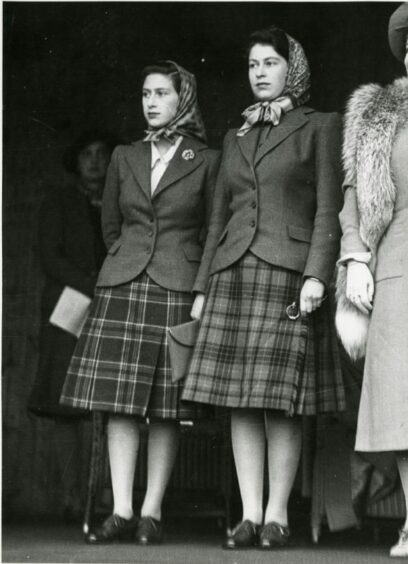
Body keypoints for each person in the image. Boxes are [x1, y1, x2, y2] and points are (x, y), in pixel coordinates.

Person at [182, 26, 345, 549]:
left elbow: (328, 207)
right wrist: (203, 285)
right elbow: (217, 220)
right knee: (240, 402)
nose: (260, 72)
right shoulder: (236, 135)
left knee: (279, 402)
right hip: (232, 273)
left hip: (287, 273)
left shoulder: (320, 126)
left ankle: (278, 515)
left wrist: (317, 273)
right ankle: (248, 515)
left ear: (291, 68)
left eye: (270, 62)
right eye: (253, 64)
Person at [60, 61, 220, 543]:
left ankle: (152, 511)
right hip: (122, 285)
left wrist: (200, 289)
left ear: (182, 99)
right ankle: (123, 509)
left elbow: (213, 229)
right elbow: (112, 226)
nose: (150, 102)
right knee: (119, 404)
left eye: (161, 94)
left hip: (177, 284)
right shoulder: (125, 156)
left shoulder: (205, 159)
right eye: (145, 93)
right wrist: (124, 261)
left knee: (166, 407)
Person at [335, 3, 408, 557]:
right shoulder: (378, 114)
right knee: (401, 399)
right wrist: (355, 259)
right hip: (397, 265)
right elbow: (356, 200)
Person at [28, 129, 115, 519]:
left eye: (102, 154)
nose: (95, 161)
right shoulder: (58, 203)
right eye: (87, 155)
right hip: (69, 307)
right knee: (65, 404)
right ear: (76, 162)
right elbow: (51, 257)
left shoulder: (120, 203)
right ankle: (70, 496)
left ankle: (107, 496)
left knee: (111, 403)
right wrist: (92, 284)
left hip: (112, 306)